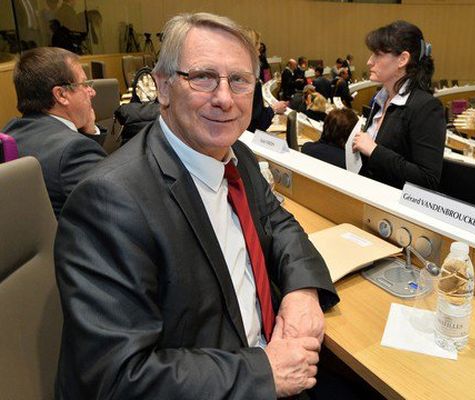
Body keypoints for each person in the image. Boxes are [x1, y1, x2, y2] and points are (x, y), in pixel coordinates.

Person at [54, 12, 339, 400]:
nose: (224, 98)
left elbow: (279, 221)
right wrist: (264, 372)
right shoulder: (109, 201)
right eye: (203, 77)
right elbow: (117, 378)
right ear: (163, 87)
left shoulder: (237, 154)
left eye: (239, 80)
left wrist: (302, 290)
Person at [2, 47, 106, 218]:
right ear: (61, 95)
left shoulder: (10, 131)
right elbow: (115, 202)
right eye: (84, 85)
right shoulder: (73, 151)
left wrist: (89, 130)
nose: (92, 92)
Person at [352, 20, 445, 190]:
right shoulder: (380, 98)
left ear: (402, 59)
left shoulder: (427, 107)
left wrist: (374, 150)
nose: (369, 62)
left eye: (377, 55)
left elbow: (428, 179)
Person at [245, 28, 287, 132]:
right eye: (258, 49)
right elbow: (258, 122)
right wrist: (274, 109)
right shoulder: (252, 81)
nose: (259, 54)